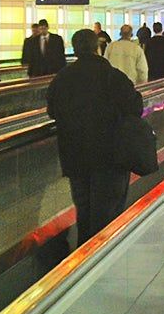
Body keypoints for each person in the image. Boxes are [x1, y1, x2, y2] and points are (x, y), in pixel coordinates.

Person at [48, 29, 144, 247]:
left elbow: (52, 110)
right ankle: (101, 258)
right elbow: (135, 107)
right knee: (107, 213)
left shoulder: (62, 78)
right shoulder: (112, 75)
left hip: (75, 157)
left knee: (84, 210)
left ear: (74, 49)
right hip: (111, 157)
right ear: (98, 48)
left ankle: (83, 255)